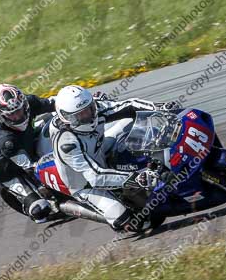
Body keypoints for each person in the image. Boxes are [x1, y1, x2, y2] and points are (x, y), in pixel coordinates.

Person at [49, 85, 181, 231]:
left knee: (130, 122)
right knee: (133, 222)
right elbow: (95, 176)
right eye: (81, 115)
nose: (88, 115)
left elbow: (129, 105)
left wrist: (159, 107)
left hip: (99, 149)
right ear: (67, 118)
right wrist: (136, 178)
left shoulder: (95, 109)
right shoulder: (66, 143)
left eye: (89, 109)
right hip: (85, 182)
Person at [0, 84, 56, 222]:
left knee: (54, 118)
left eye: (20, 110)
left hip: (26, 140)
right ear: (2, 115)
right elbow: (29, 167)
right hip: (6, 167)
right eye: (12, 114)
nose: (18, 116)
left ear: (24, 104)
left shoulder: (28, 102)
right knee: (40, 210)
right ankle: (31, 203)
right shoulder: (2, 137)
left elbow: (54, 103)